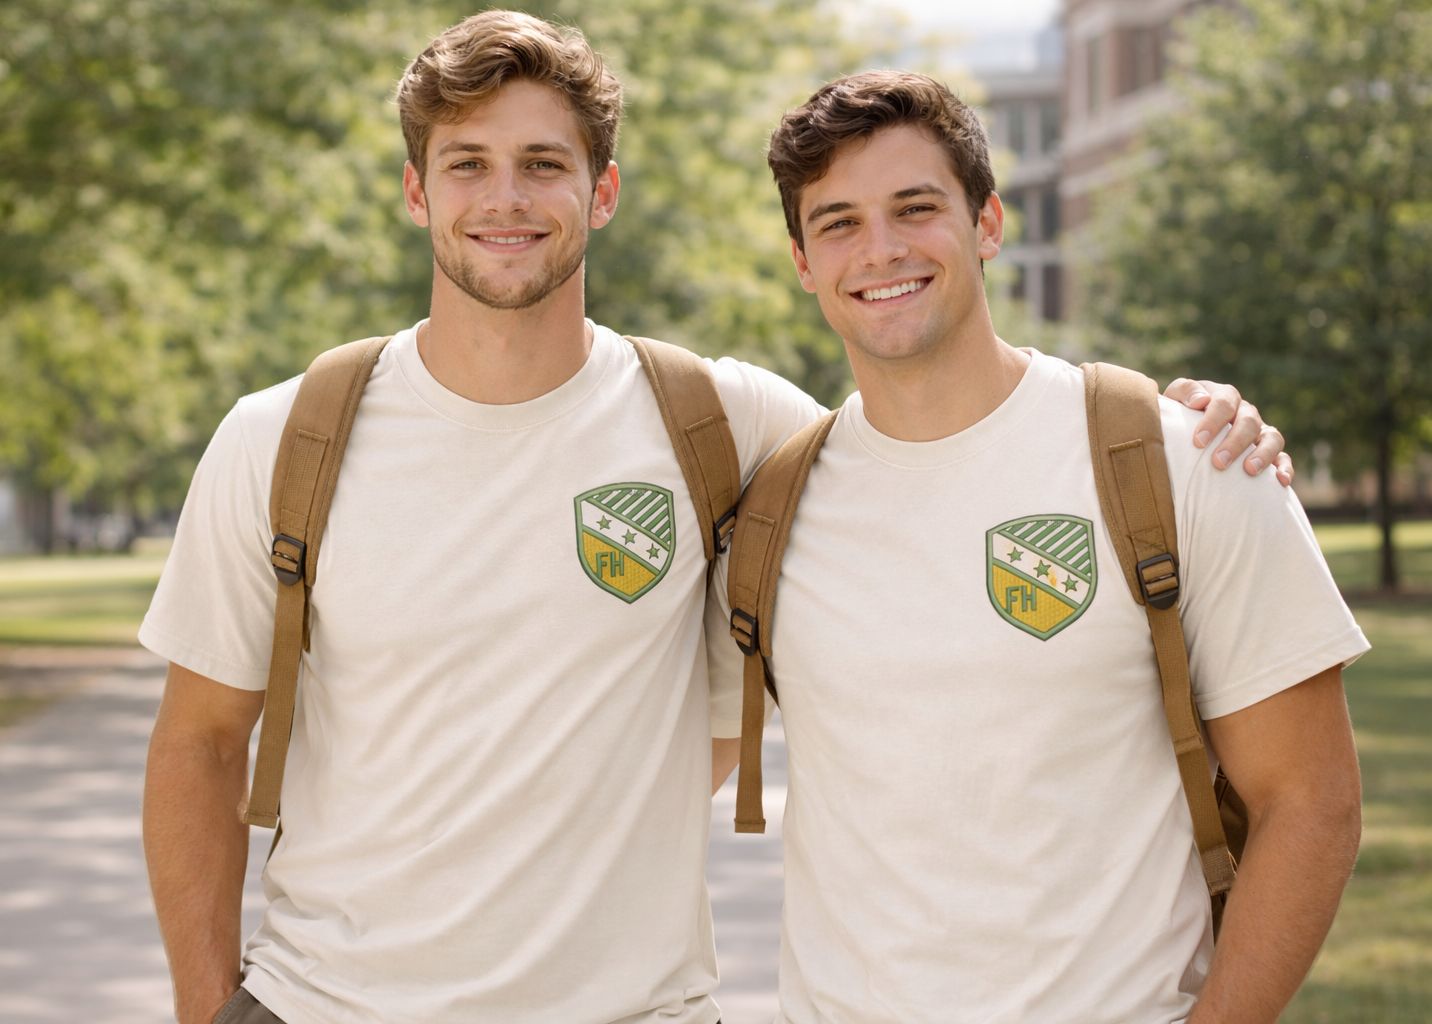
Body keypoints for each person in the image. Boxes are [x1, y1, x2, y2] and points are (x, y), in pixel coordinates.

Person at [139, 13, 1290, 1024]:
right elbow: (195, 745)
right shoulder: (286, 437)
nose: (505, 199)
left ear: (603, 191)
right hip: (328, 1005)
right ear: (414, 191)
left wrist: (1195, 426)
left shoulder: (721, 424)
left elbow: (950, 431)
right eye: (467, 164)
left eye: (544, 162)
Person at [709, 70, 1367, 1024]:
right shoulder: (774, 507)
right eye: (838, 222)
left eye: (916, 207)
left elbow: (1311, 802)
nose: (881, 248)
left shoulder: (1180, 462)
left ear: (988, 223)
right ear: (804, 261)